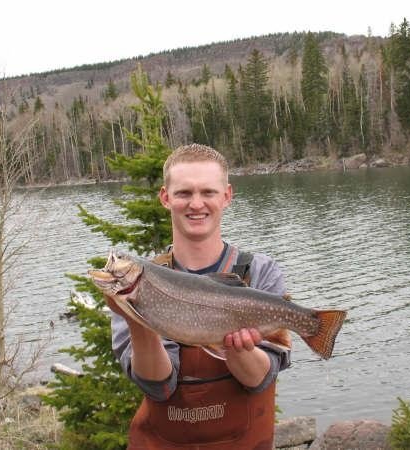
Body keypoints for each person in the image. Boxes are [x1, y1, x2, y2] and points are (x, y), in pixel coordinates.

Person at [108, 143, 291, 449]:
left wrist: (237, 349)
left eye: (207, 192)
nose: (196, 204)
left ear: (227, 196)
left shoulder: (260, 272)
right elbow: (158, 387)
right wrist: (138, 320)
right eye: (183, 193)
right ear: (165, 198)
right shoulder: (141, 280)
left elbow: (261, 379)